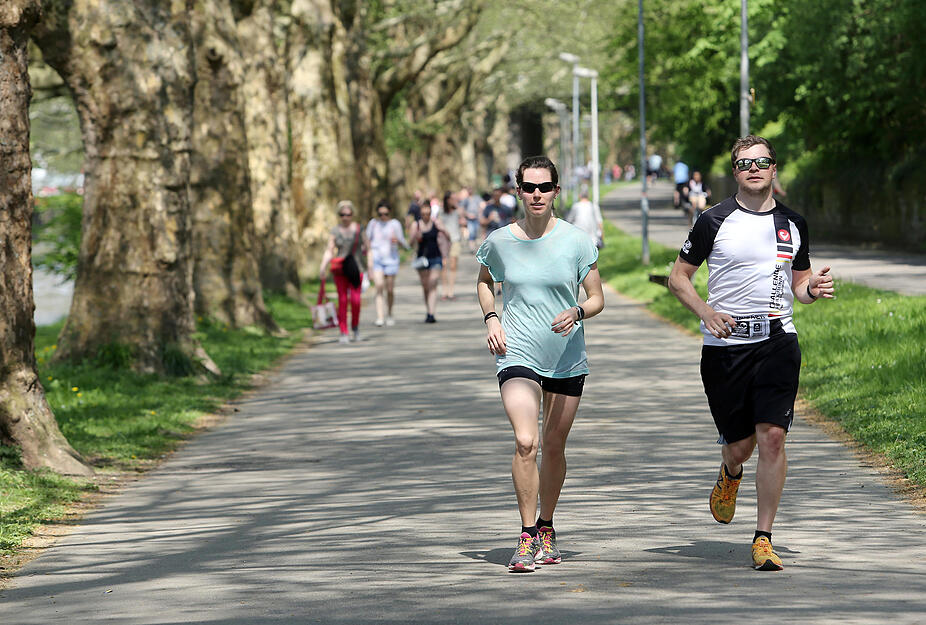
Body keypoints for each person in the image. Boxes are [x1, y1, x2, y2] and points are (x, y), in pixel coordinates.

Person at [667, 135, 835, 571]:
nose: (754, 168)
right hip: (725, 349)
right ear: (736, 172)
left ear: (774, 168)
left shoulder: (793, 223)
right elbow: (678, 278)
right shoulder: (713, 220)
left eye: (762, 162)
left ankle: (763, 537)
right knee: (740, 447)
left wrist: (812, 289)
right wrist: (706, 312)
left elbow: (799, 285)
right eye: (744, 164)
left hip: (778, 341)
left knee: (773, 437)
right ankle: (730, 472)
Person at [476, 155, 604, 573]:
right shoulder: (499, 241)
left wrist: (579, 312)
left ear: (556, 192)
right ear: (518, 191)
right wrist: (491, 317)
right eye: (528, 187)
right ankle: (527, 534)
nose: (536, 194)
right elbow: (483, 281)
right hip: (517, 353)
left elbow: (597, 297)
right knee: (526, 441)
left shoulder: (576, 240)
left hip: (567, 357)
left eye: (544, 187)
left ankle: (547, 526)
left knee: (553, 446)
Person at [319, 200, 369, 344]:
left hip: (356, 269)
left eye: (348, 214)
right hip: (340, 270)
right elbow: (330, 250)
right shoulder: (335, 231)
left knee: (356, 301)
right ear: (339, 215)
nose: (345, 217)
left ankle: (355, 327)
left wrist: (370, 267)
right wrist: (323, 266)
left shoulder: (360, 229)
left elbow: (368, 248)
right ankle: (343, 331)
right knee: (342, 300)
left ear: (352, 214)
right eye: (342, 215)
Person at [365, 200, 407, 327]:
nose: (383, 216)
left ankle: (389, 313)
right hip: (377, 259)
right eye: (380, 214)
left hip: (391, 260)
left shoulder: (395, 224)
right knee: (379, 286)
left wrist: (398, 241)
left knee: (389, 289)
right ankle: (380, 316)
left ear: (390, 213)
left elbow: (404, 243)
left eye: (386, 213)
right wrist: (369, 263)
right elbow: (367, 242)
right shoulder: (373, 224)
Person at [408, 201, 449, 323]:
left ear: (431, 212)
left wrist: (443, 230)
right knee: (426, 286)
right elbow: (409, 244)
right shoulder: (416, 225)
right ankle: (428, 311)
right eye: (423, 213)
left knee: (433, 281)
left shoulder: (436, 223)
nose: (426, 215)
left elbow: (449, 237)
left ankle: (431, 313)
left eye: (428, 213)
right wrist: (415, 236)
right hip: (422, 259)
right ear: (420, 213)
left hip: (436, 257)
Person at [439, 191, 466, 300]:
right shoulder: (441, 212)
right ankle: (444, 291)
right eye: (452, 199)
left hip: (455, 240)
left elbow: (463, 222)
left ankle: (451, 291)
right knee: (444, 265)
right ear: (447, 200)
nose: (454, 201)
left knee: (453, 265)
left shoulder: (457, 211)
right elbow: (438, 224)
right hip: (444, 241)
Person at [459, 186, 483, 252]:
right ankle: (472, 248)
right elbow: (461, 209)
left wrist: (479, 213)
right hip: (469, 219)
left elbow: (481, 205)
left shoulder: (477, 198)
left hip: (476, 218)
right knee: (471, 232)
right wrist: (467, 215)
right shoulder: (465, 200)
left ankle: (476, 247)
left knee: (476, 232)